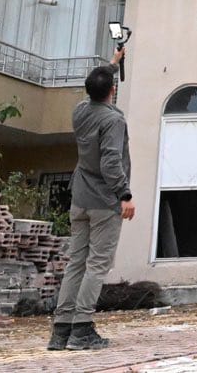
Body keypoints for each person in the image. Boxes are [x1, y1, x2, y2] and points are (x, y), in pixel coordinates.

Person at [50, 53, 133, 352]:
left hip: (80, 199)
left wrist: (112, 63)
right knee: (97, 265)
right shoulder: (113, 120)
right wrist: (124, 194)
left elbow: (95, 89)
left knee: (76, 263)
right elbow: (112, 161)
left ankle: (61, 331)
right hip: (102, 202)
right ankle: (82, 329)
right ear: (112, 91)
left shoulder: (80, 112)